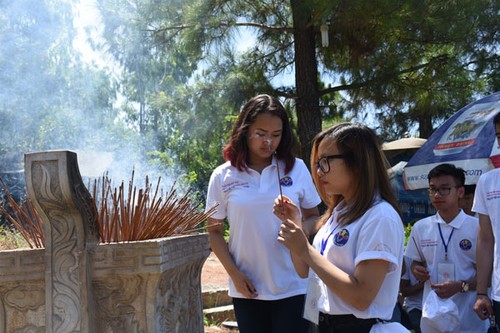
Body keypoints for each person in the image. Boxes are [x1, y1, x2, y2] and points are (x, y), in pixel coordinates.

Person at [205, 94, 321, 333]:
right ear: (245, 130)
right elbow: (214, 231)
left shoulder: (296, 168)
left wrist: (297, 224)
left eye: (276, 135)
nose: (268, 141)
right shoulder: (223, 175)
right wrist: (235, 275)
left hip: (294, 286)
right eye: (261, 133)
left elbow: (314, 216)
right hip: (247, 288)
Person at [273, 122, 405, 332]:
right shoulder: (337, 214)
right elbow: (304, 271)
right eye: (317, 163)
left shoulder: (380, 216)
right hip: (324, 323)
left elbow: (361, 297)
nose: (318, 170)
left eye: (325, 161)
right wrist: (295, 225)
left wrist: (305, 250)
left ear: (357, 161)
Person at [405, 163, 488, 332]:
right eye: (432, 189)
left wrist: (461, 286)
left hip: (470, 319)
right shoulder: (421, 227)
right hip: (433, 320)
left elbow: (489, 276)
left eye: (444, 189)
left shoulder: (478, 228)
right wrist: (416, 269)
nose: (437, 194)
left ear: (460, 192)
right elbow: (415, 263)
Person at [473, 111, 500, 328]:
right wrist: (482, 292)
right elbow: (485, 239)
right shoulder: (487, 182)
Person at [400, 256, 423, 333]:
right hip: (416, 307)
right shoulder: (408, 257)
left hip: (441, 306)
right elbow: (404, 291)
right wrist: (423, 285)